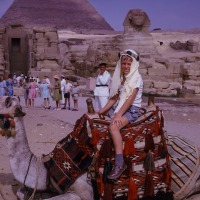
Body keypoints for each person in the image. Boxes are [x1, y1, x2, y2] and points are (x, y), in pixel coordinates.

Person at [98, 49, 143, 180]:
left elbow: (130, 99)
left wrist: (118, 115)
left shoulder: (136, 78)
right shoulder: (121, 78)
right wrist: (101, 111)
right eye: (124, 63)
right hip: (120, 107)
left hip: (132, 109)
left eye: (129, 64)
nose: (126, 66)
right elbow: (114, 98)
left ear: (133, 65)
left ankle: (119, 163)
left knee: (113, 127)